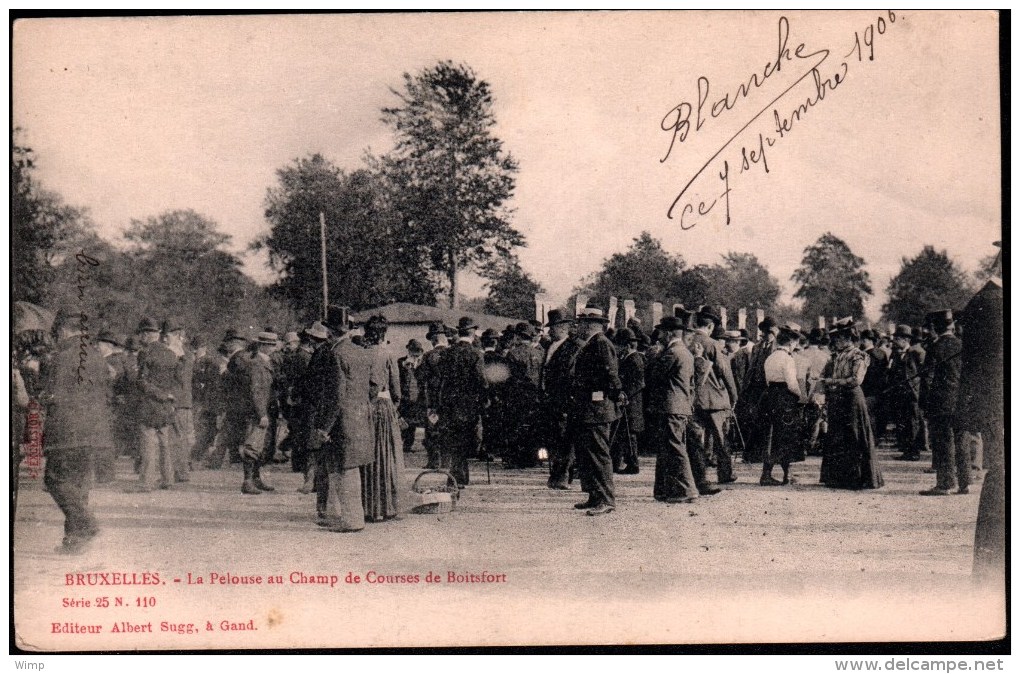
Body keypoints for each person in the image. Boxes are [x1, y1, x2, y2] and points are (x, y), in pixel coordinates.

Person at [39, 309, 114, 553]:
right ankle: (73, 541)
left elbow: (55, 394)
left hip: (68, 431)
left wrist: (41, 396)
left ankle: (86, 523)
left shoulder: (62, 356)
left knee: (55, 480)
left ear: (63, 330)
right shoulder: (97, 355)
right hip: (95, 430)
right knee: (79, 485)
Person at [307, 306, 375, 532]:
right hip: (359, 418)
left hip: (341, 421)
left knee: (341, 469)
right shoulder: (360, 352)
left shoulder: (335, 354)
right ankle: (351, 516)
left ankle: (351, 520)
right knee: (351, 468)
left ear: (329, 332)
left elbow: (336, 395)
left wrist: (324, 427)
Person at [646, 315, 708, 504]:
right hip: (679, 406)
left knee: (675, 448)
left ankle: (688, 489)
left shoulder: (672, 353)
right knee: (669, 448)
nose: (658, 336)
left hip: (671, 407)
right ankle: (666, 490)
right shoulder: (685, 352)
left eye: (662, 332)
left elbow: (654, 376)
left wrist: (654, 357)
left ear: (670, 333)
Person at [569, 307, 624, 516]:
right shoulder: (592, 343)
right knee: (587, 454)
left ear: (591, 324)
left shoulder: (601, 343)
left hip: (597, 408)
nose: (578, 326)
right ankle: (594, 495)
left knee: (599, 454)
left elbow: (610, 374)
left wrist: (616, 393)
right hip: (588, 407)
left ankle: (607, 499)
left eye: (581, 322)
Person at [819, 319, 883, 490]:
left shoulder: (858, 355)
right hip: (838, 400)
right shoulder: (836, 356)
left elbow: (856, 380)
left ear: (849, 338)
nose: (837, 341)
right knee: (837, 436)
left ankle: (856, 478)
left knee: (853, 435)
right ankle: (838, 477)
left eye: (841, 338)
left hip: (852, 399)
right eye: (836, 338)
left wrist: (831, 381)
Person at [435, 317, 488, 487]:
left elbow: (439, 378)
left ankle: (456, 475)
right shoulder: (475, 354)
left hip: (449, 402)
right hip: (468, 403)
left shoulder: (448, 352)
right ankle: (459, 476)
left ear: (460, 331)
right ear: (473, 333)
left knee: (453, 439)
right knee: (464, 438)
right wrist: (485, 399)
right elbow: (481, 380)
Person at [361, 315, 405, 522]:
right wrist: (395, 403)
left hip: (363, 407)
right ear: (383, 333)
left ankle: (367, 507)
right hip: (383, 407)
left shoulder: (360, 352)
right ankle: (385, 507)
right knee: (386, 457)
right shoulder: (387, 354)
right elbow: (396, 389)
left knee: (367, 456)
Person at [688, 307, 738, 484]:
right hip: (716, 399)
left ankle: (698, 477)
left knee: (696, 441)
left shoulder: (687, 341)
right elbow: (725, 372)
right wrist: (734, 395)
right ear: (710, 326)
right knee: (721, 440)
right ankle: (725, 474)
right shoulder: (712, 344)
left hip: (694, 399)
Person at [919, 311, 966, 496]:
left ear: (936, 327)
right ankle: (965, 482)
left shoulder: (935, 347)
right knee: (961, 440)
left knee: (943, 442)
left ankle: (945, 484)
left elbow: (928, 378)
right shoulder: (962, 345)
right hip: (960, 400)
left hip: (940, 401)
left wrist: (925, 402)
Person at [134, 317, 179, 491]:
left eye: (141, 334)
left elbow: (142, 382)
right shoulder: (171, 354)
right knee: (165, 443)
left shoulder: (144, 353)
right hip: (167, 404)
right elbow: (177, 380)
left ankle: (146, 482)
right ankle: (168, 479)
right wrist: (169, 396)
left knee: (148, 444)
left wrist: (159, 394)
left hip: (151, 404)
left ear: (146, 334)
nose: (140, 338)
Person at [235, 332, 280, 495]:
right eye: (272, 345)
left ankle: (255, 478)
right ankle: (247, 481)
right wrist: (262, 414)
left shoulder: (265, 362)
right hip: (258, 411)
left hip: (264, 409)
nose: (274, 348)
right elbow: (256, 391)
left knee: (260, 446)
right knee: (252, 445)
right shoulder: (257, 364)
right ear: (263, 346)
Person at [760, 323, 804, 486]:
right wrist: (801, 396)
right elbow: (792, 383)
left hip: (770, 395)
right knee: (787, 435)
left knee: (771, 435)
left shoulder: (769, 358)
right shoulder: (788, 359)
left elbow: (766, 380)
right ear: (791, 343)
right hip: (785, 398)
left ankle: (766, 473)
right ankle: (787, 475)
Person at [541, 309, 580, 489]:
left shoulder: (573, 348)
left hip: (564, 401)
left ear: (564, 328)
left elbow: (571, 376)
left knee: (566, 440)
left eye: (553, 327)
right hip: (550, 401)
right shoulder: (550, 346)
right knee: (554, 438)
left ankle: (563, 476)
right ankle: (556, 475)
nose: (550, 331)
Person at [503, 322, 545, 468]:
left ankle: (515, 459)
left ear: (517, 336)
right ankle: (533, 457)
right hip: (536, 395)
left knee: (516, 426)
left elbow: (507, 378)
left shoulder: (513, 353)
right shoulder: (540, 353)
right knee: (533, 426)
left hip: (518, 395)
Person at [737, 316, 778, 462]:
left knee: (768, 422)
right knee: (754, 420)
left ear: (773, 333)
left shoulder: (778, 348)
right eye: (762, 333)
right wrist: (745, 388)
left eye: (767, 333)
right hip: (755, 388)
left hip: (769, 388)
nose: (764, 336)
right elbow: (751, 368)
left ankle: (765, 454)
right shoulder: (756, 347)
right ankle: (753, 454)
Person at [294, 322, 328, 493]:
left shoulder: (322, 355)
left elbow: (316, 383)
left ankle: (311, 481)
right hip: (314, 406)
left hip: (315, 407)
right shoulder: (320, 353)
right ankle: (312, 480)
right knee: (312, 444)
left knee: (312, 445)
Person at [888, 324, 926, 461]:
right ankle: (906, 450)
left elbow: (923, 374)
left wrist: (918, 390)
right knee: (902, 422)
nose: (894, 341)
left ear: (905, 340)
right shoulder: (895, 354)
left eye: (897, 338)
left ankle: (914, 451)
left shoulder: (916, 353)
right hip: (899, 394)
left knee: (913, 422)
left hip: (912, 394)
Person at [612, 328, 644, 474]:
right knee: (624, 433)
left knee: (630, 434)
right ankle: (624, 462)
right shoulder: (629, 358)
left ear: (627, 345)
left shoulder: (635, 359)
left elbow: (639, 383)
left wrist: (625, 395)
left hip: (631, 403)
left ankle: (633, 464)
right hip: (628, 402)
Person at [418, 322, 449, 469]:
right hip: (450, 399)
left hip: (433, 400)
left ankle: (434, 461)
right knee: (448, 428)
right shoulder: (453, 353)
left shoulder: (428, 356)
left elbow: (421, 376)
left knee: (432, 428)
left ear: (432, 340)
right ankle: (447, 460)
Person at [859, 329, 890, 442]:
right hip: (880, 389)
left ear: (867, 340)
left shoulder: (864, 354)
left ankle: (871, 439)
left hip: (867, 389)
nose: (861, 342)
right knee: (876, 414)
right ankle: (876, 437)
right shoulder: (882, 353)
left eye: (863, 339)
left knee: (869, 415)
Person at [397, 339, 426, 453]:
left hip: (418, 397)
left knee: (414, 421)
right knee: (405, 422)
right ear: (408, 350)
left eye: (417, 351)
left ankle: (409, 443)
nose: (415, 353)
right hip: (405, 396)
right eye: (413, 350)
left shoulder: (422, 362)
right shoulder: (401, 362)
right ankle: (405, 444)